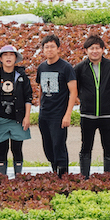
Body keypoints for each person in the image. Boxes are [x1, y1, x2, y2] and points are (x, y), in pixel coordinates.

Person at [67, 34, 110, 176]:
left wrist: (106, 97)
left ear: (103, 49)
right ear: (86, 51)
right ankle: (84, 176)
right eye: (91, 48)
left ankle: (108, 176)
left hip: (106, 114)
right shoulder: (79, 68)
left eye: (97, 48)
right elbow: (75, 88)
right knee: (86, 146)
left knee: (108, 146)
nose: (94, 51)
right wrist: (84, 98)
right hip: (87, 114)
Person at [0, 44, 32, 177]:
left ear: (15, 58)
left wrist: (27, 117)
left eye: (11, 55)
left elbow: (28, 97)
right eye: (5, 55)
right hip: (0, 118)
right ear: (0, 58)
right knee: (2, 149)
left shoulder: (22, 76)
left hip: (17, 118)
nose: (8, 58)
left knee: (17, 148)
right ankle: (2, 177)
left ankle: (18, 176)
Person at [32, 34, 75, 177]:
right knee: (48, 146)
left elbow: (73, 92)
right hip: (45, 113)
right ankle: (54, 171)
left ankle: (63, 175)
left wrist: (68, 114)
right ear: (43, 49)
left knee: (58, 145)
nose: (49, 49)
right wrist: (40, 106)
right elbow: (40, 89)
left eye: (52, 46)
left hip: (59, 114)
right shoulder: (42, 67)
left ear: (58, 48)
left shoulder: (66, 67)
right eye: (46, 47)